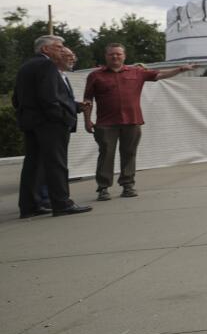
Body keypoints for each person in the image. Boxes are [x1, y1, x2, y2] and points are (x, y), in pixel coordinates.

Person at [82, 44, 195, 201]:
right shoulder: (95, 76)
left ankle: (127, 185)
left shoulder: (137, 72)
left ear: (124, 56)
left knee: (129, 154)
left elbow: (160, 74)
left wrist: (180, 69)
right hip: (105, 123)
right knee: (106, 154)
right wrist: (87, 120)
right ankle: (103, 187)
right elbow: (87, 100)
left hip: (132, 121)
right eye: (111, 54)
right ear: (106, 56)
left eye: (118, 54)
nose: (115, 57)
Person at [12, 36, 93, 218]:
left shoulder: (26, 66)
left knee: (33, 165)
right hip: (50, 124)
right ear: (46, 50)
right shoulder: (47, 66)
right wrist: (60, 117)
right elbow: (48, 97)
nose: (63, 50)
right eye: (59, 47)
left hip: (31, 122)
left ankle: (29, 206)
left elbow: (16, 98)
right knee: (56, 164)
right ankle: (62, 203)